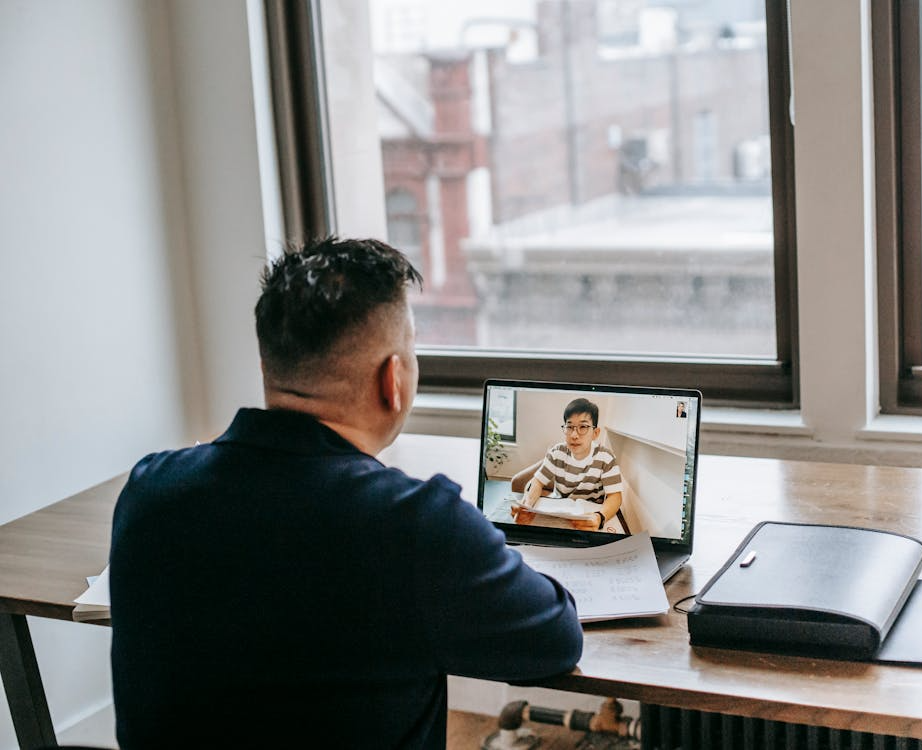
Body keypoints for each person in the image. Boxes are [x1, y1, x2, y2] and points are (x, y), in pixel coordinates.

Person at [109, 237, 582, 749]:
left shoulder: (150, 490)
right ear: (393, 380)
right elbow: (556, 638)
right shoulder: (419, 525)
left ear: (269, 367)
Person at [513, 398, 624, 532]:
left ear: (595, 433)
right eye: (569, 427)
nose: (574, 435)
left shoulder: (606, 457)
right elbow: (537, 482)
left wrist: (600, 517)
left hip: (589, 518)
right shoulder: (556, 452)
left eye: (583, 427)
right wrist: (527, 505)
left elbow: (615, 496)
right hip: (557, 513)